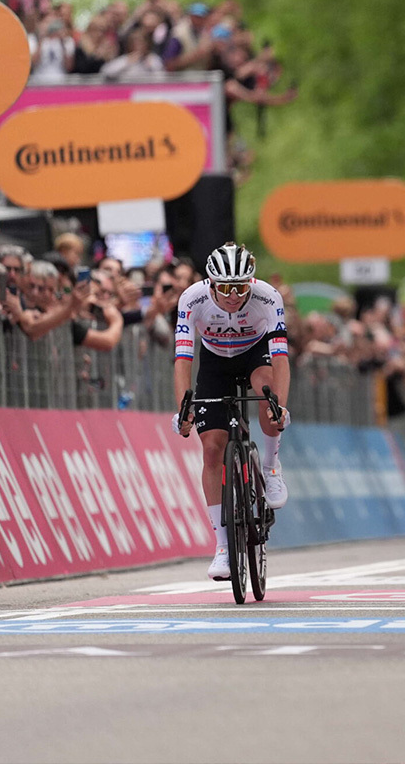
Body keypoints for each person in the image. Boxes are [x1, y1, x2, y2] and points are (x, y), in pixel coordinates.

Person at [172, 243, 292, 581]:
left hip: (255, 356)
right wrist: (183, 409)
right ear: (210, 284)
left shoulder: (267, 297)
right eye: (225, 288)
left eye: (241, 287)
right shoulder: (191, 299)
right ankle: (223, 548)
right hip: (214, 362)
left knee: (269, 404)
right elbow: (183, 359)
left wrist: (279, 406)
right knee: (212, 449)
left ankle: (270, 467)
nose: (233, 295)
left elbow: (280, 356)